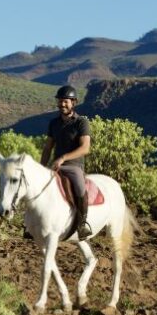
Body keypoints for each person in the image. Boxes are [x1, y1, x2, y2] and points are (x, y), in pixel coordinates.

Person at [40, 84, 93, 239]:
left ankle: (82, 224)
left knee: (79, 187)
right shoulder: (53, 123)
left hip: (74, 166)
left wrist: (63, 158)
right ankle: (31, 224)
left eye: (66, 101)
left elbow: (85, 148)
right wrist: (42, 167)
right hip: (56, 166)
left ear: (73, 103)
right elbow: (48, 148)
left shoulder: (81, 122)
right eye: (60, 101)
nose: (62, 104)